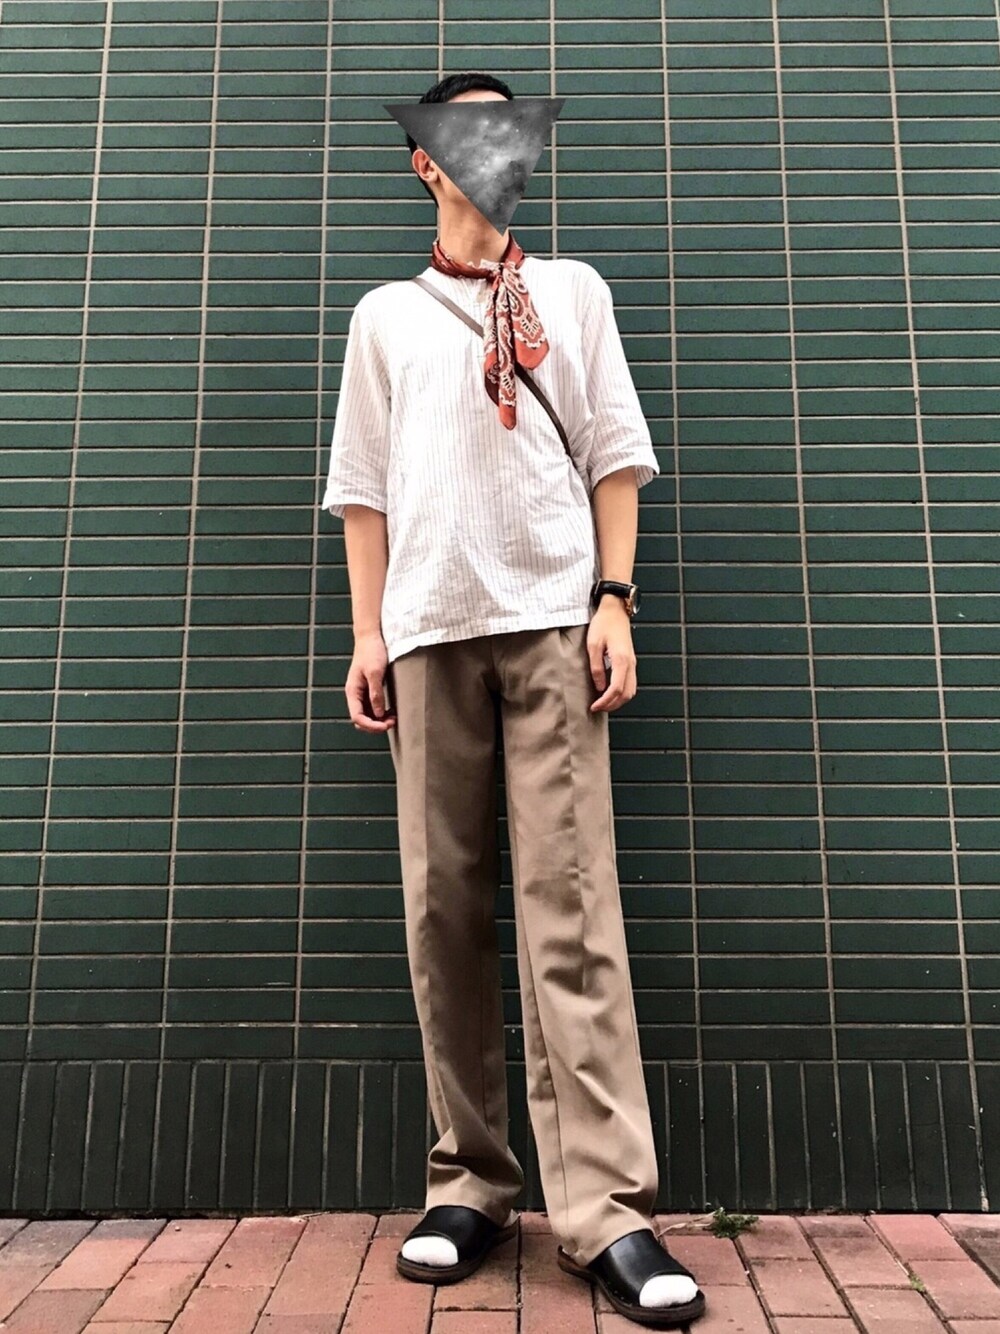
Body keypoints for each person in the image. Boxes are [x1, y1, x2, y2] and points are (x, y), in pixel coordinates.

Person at [321, 71, 705, 1329]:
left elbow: (614, 455)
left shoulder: (573, 292)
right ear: (425, 161)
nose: (498, 146)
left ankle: (606, 1209)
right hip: (428, 630)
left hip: (551, 622)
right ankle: (470, 1182)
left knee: (571, 910)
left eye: (512, 127)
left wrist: (613, 598)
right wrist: (367, 633)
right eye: (469, 129)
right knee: (442, 908)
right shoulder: (385, 315)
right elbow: (363, 487)